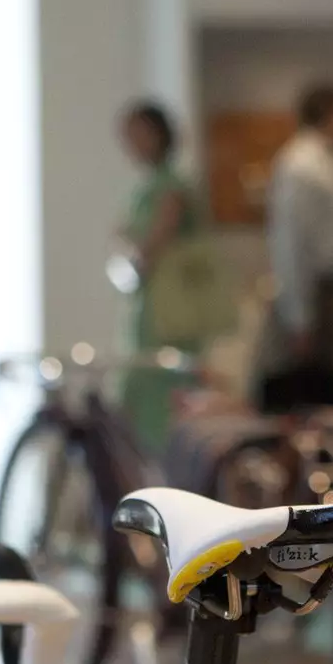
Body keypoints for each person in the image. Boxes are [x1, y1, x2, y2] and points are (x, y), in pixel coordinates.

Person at [116, 99, 218, 450]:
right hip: (156, 308)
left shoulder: (170, 185)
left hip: (169, 312)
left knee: (164, 389)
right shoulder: (154, 185)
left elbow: (154, 242)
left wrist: (132, 245)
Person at [258, 81, 333, 413]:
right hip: (308, 293)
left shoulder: (321, 163)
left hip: (323, 290)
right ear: (330, 115)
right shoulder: (301, 166)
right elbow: (291, 244)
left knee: (319, 394)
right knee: (303, 396)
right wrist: (299, 317)